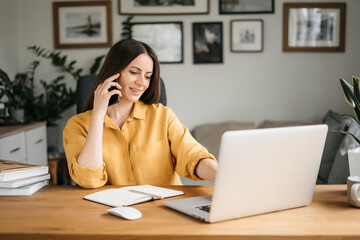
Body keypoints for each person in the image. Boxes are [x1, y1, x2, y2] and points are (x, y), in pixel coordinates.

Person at [63, 39, 217, 188]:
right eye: (134, 72)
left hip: (165, 208)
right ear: (113, 72)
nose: (142, 83)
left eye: (148, 76)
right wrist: (97, 116)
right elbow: (88, 180)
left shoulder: (163, 116)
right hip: (115, 211)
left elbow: (193, 157)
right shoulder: (77, 125)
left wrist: (221, 176)